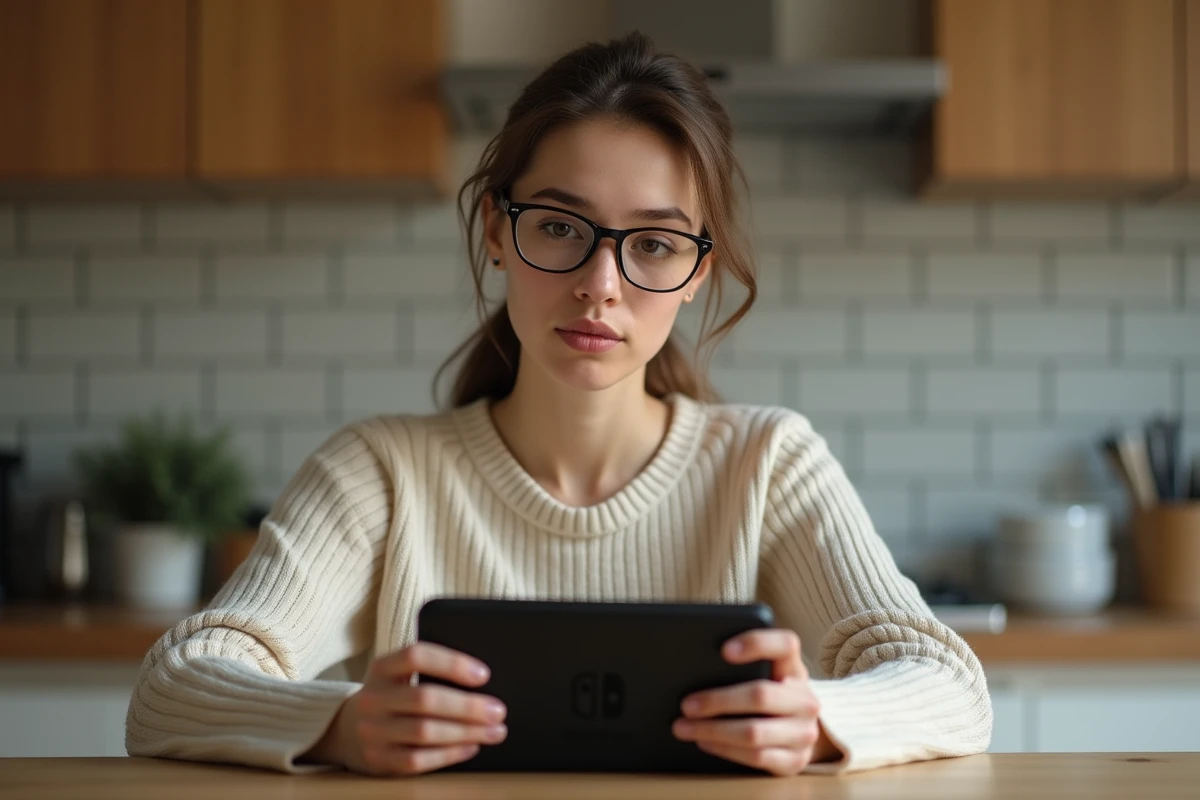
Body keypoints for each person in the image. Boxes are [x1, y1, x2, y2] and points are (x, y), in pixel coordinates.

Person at [125, 33, 991, 778]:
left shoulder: (769, 463)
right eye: (559, 226)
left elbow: (949, 683)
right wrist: (339, 725)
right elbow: (171, 689)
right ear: (499, 231)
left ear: (697, 271)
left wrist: (821, 720)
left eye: (652, 244)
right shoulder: (382, 473)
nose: (599, 287)